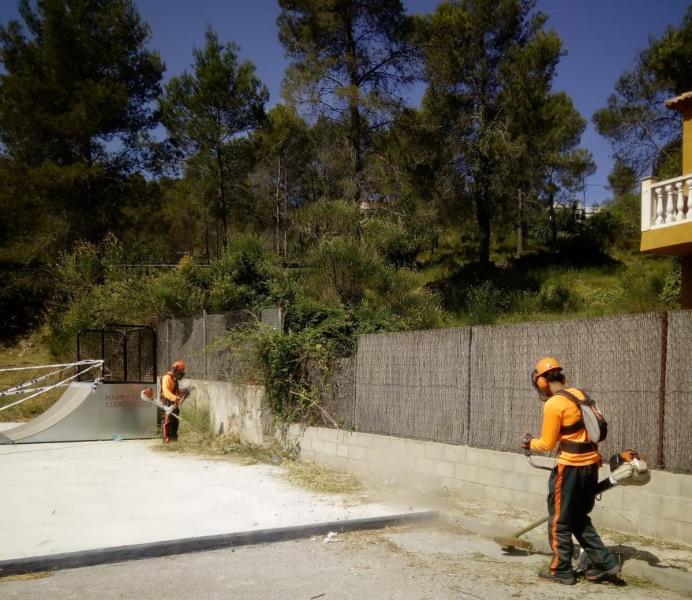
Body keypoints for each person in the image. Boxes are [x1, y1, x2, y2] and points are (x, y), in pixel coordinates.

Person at [521, 357, 620, 585]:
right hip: (591, 465)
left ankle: (561, 569)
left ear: (542, 382)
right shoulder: (580, 395)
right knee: (577, 517)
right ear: (561, 377)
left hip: (570, 467)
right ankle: (605, 562)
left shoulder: (554, 404)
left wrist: (528, 443)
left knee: (559, 519)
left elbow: (546, 444)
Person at [160, 360, 187, 443]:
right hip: (167, 403)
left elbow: (176, 392)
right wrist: (175, 398)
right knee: (167, 422)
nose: (182, 374)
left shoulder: (174, 380)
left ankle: (174, 439)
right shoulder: (166, 378)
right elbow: (166, 392)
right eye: (180, 372)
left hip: (174, 403)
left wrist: (183, 394)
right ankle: (166, 440)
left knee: (175, 421)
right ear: (175, 370)